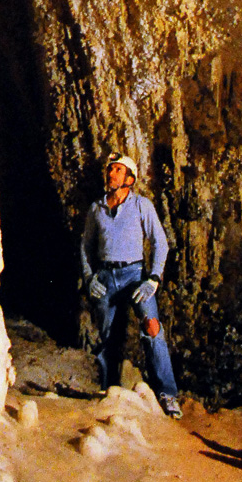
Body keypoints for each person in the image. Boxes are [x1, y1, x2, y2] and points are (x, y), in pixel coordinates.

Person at [81, 153, 182, 418]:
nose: (111, 174)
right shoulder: (96, 208)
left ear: (130, 178)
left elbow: (161, 242)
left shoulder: (141, 205)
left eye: (117, 170)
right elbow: (85, 247)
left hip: (134, 274)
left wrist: (154, 278)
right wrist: (89, 278)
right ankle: (109, 391)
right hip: (105, 276)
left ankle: (167, 395)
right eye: (110, 170)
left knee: (152, 327)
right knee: (108, 337)